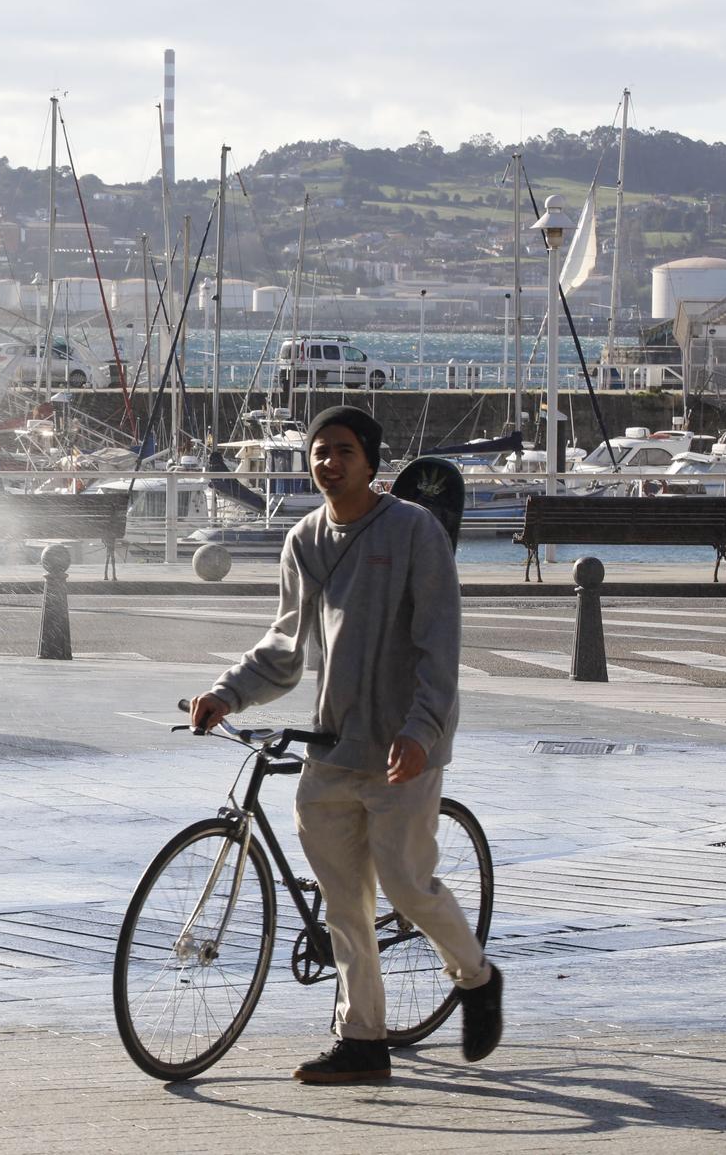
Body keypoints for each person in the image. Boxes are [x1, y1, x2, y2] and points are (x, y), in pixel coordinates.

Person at [187, 404, 502, 1085]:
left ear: (372, 462)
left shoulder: (416, 532)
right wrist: (225, 693)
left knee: (407, 887)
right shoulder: (303, 538)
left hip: (403, 746)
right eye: (319, 451)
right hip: (332, 747)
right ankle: (363, 1040)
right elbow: (283, 646)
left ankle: (475, 976)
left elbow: (438, 647)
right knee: (343, 903)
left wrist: (420, 732)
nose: (328, 462)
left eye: (343, 451)